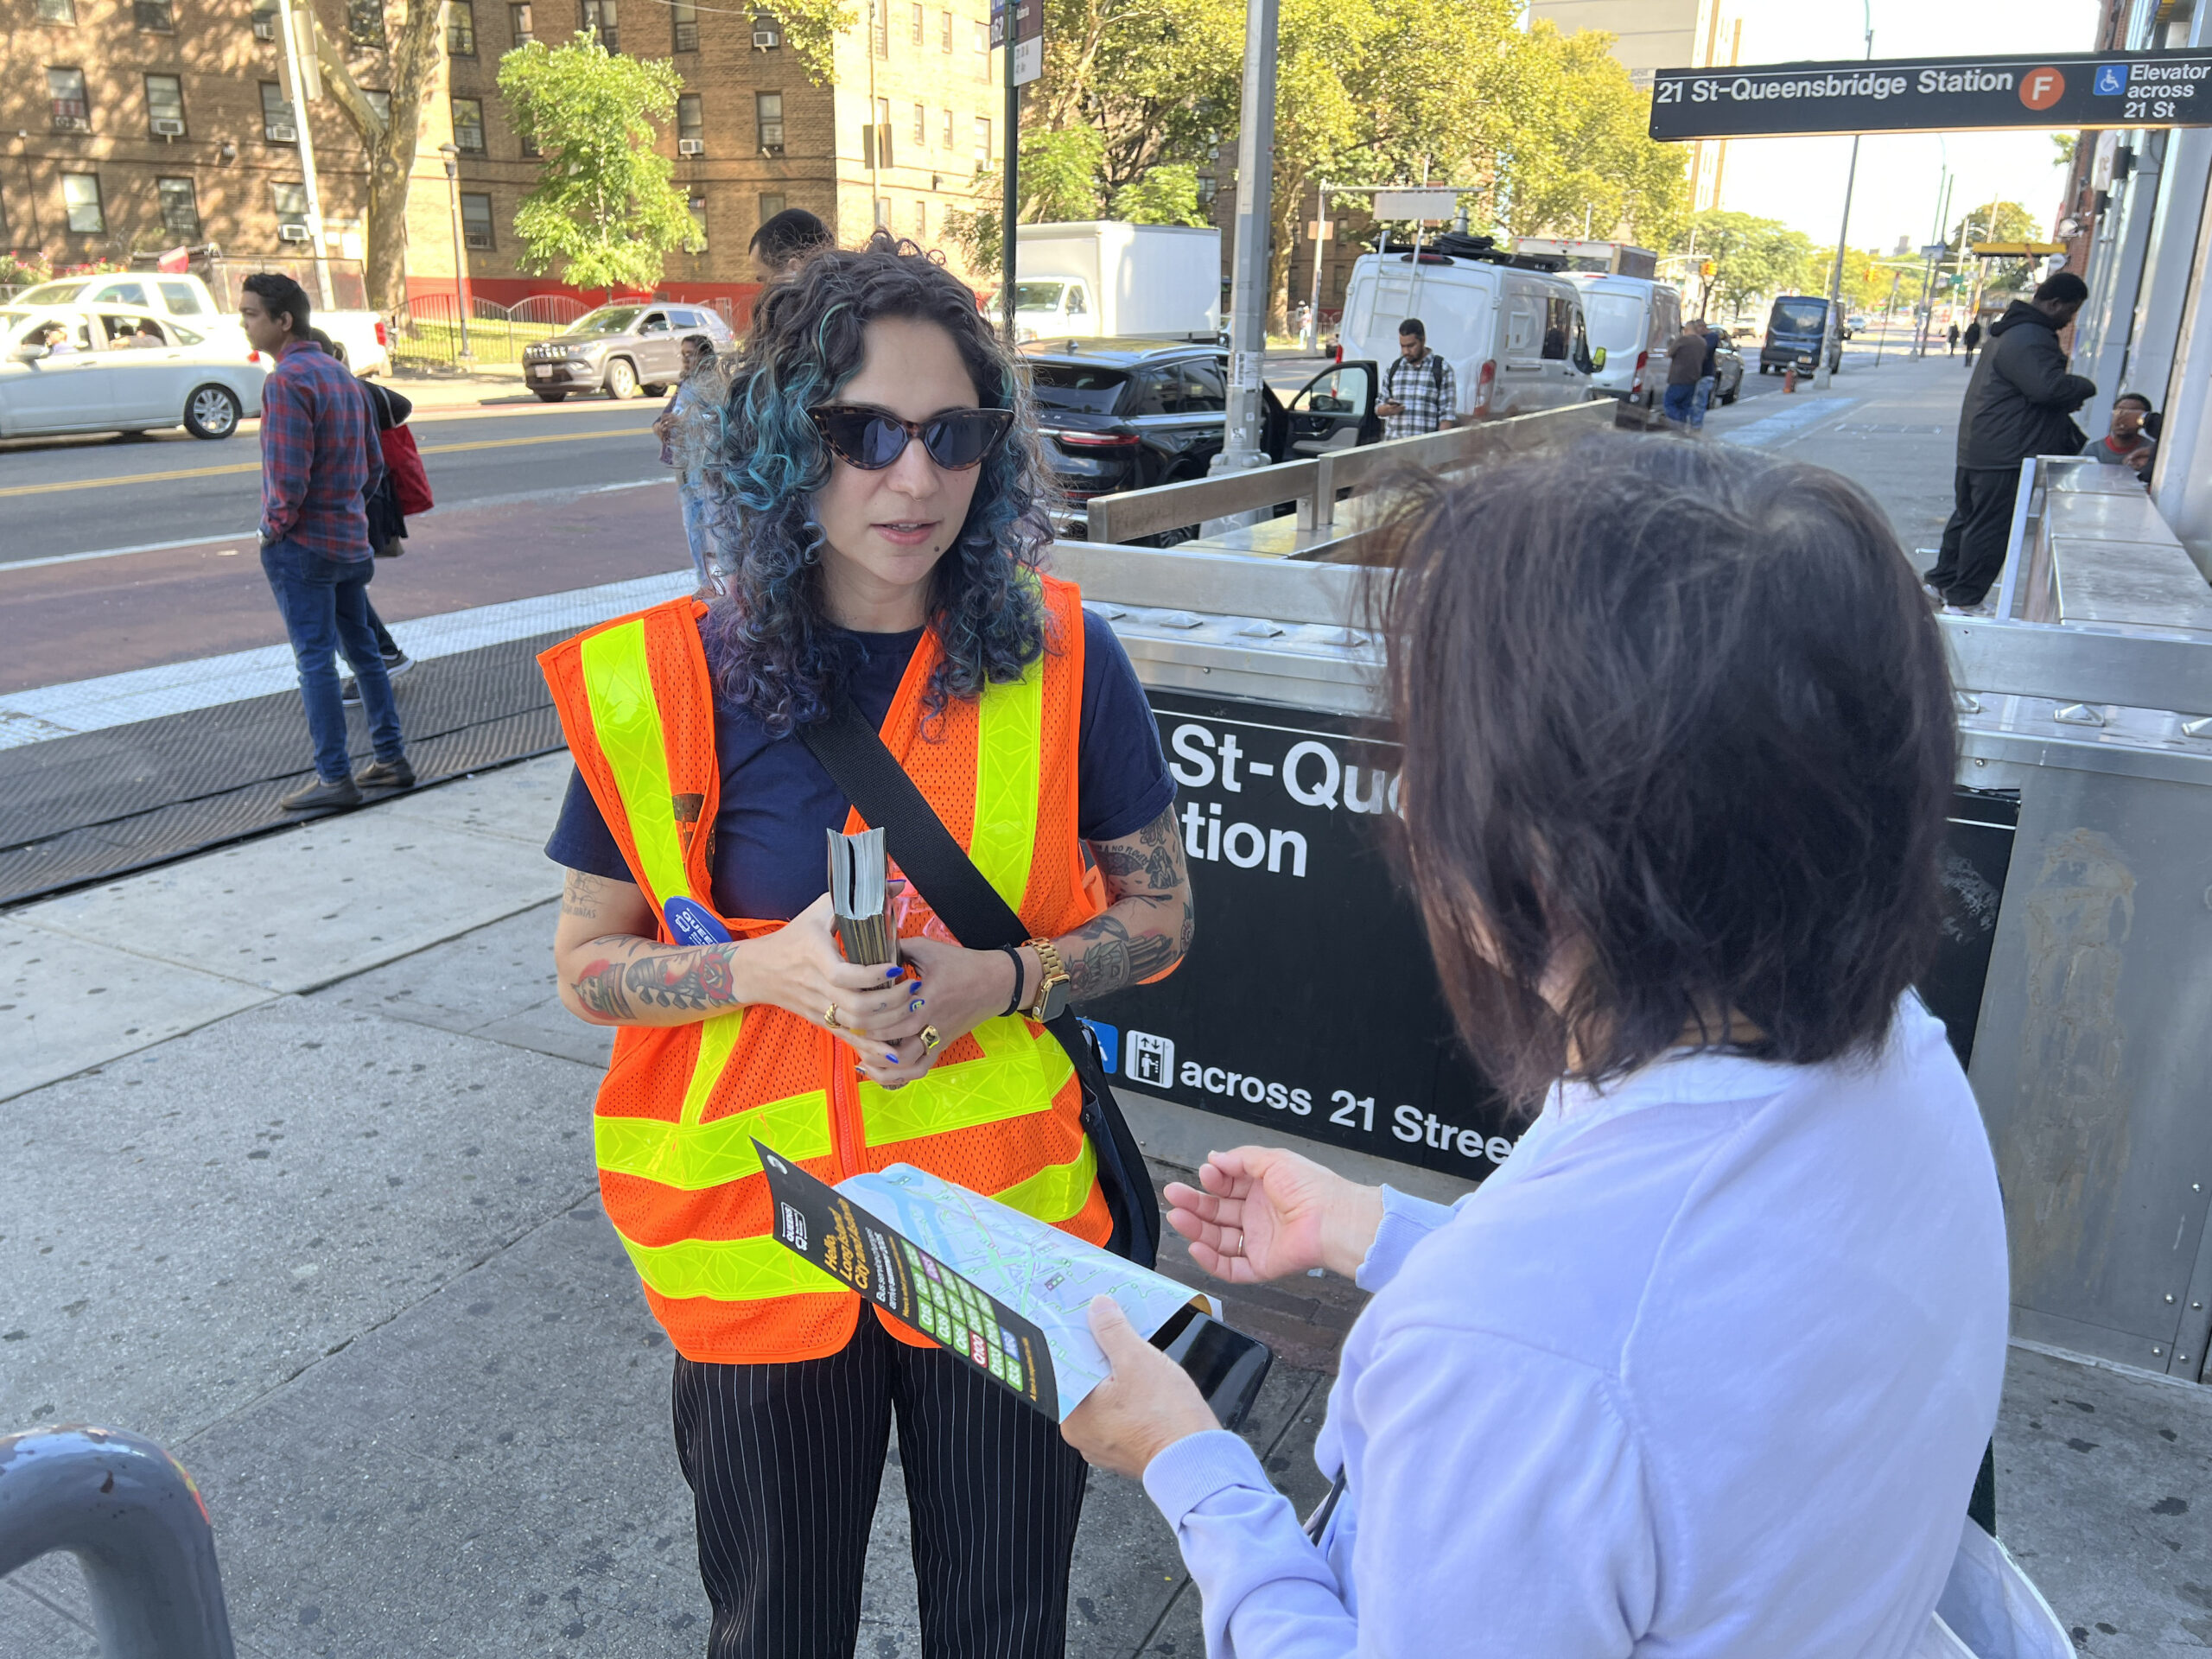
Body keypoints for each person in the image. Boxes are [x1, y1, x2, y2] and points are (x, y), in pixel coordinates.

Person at [1063, 435, 2008, 1659]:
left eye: (1437, 764)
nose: (1411, 808)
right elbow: (1665, 1351)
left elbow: (1571, 1357)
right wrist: (1374, 1231)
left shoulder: (1509, 1358)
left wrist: (1188, 1460)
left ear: (1569, 844)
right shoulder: (1901, 1064)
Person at [540, 233, 1193, 1659]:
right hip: (762, 1241)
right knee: (776, 1628)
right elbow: (588, 961)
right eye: (866, 433)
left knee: (1003, 1619)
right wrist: (747, 971)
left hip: (997, 1234)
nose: (915, 478)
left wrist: (1003, 980)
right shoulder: (667, 682)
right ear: (787, 439)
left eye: (954, 434)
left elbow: (1161, 922)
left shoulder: (1069, 661)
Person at [240, 273, 413, 809]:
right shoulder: (342, 375)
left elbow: (287, 480)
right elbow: (373, 466)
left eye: (250, 314)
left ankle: (334, 778)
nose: (244, 323)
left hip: (304, 546)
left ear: (282, 320)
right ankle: (391, 758)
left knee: (314, 659)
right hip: (349, 540)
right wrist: (347, 509)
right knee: (364, 654)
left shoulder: (286, 382)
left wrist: (271, 530)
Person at [1923, 270, 2094, 613]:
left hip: (1983, 446)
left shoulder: (2012, 332)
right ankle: (1965, 600)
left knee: (1968, 518)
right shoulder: (2031, 337)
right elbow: (2047, 388)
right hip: (2008, 452)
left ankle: (1942, 583)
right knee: (1990, 529)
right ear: (2054, 304)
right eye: (2070, 311)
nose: (2069, 319)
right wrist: (2085, 387)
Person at [653, 332, 723, 586]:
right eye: (682, 355)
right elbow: (663, 419)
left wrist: (686, 422)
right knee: (693, 529)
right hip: (685, 471)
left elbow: (722, 422)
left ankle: (722, 585)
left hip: (706, 472)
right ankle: (703, 583)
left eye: (690, 355)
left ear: (705, 356)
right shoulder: (684, 387)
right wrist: (662, 427)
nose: (685, 361)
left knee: (715, 530)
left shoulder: (715, 384)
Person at [1375, 319, 1457, 439]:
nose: (1406, 351)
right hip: (1395, 449)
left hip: (1425, 450)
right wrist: (1388, 409)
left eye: (1411, 346)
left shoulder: (1441, 369)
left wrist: (1439, 446)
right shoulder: (1394, 369)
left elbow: (1447, 415)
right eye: (1402, 346)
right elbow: (1378, 408)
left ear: (1423, 340)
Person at [750, 206, 834, 281]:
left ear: (794, 268)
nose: (764, 292)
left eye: (766, 281)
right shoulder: (842, 291)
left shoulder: (807, 296)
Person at [2091, 391, 2156, 478]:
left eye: (2132, 413)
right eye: (2119, 411)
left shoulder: (2151, 451)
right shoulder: (2094, 450)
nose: (2123, 418)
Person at [1662, 318, 1705, 426]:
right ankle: (1682, 425)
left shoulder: (1683, 340)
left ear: (1686, 329)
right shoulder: (1702, 342)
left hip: (1679, 377)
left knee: (1669, 402)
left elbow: (1669, 353)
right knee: (1685, 406)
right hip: (1693, 378)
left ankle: (1676, 424)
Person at [1688, 316, 1719, 431]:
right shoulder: (1699, 338)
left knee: (1699, 402)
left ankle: (1696, 426)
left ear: (1703, 327)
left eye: (1697, 329)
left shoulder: (1712, 337)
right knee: (1693, 401)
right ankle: (1693, 424)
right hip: (1695, 374)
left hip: (1705, 374)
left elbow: (1705, 349)